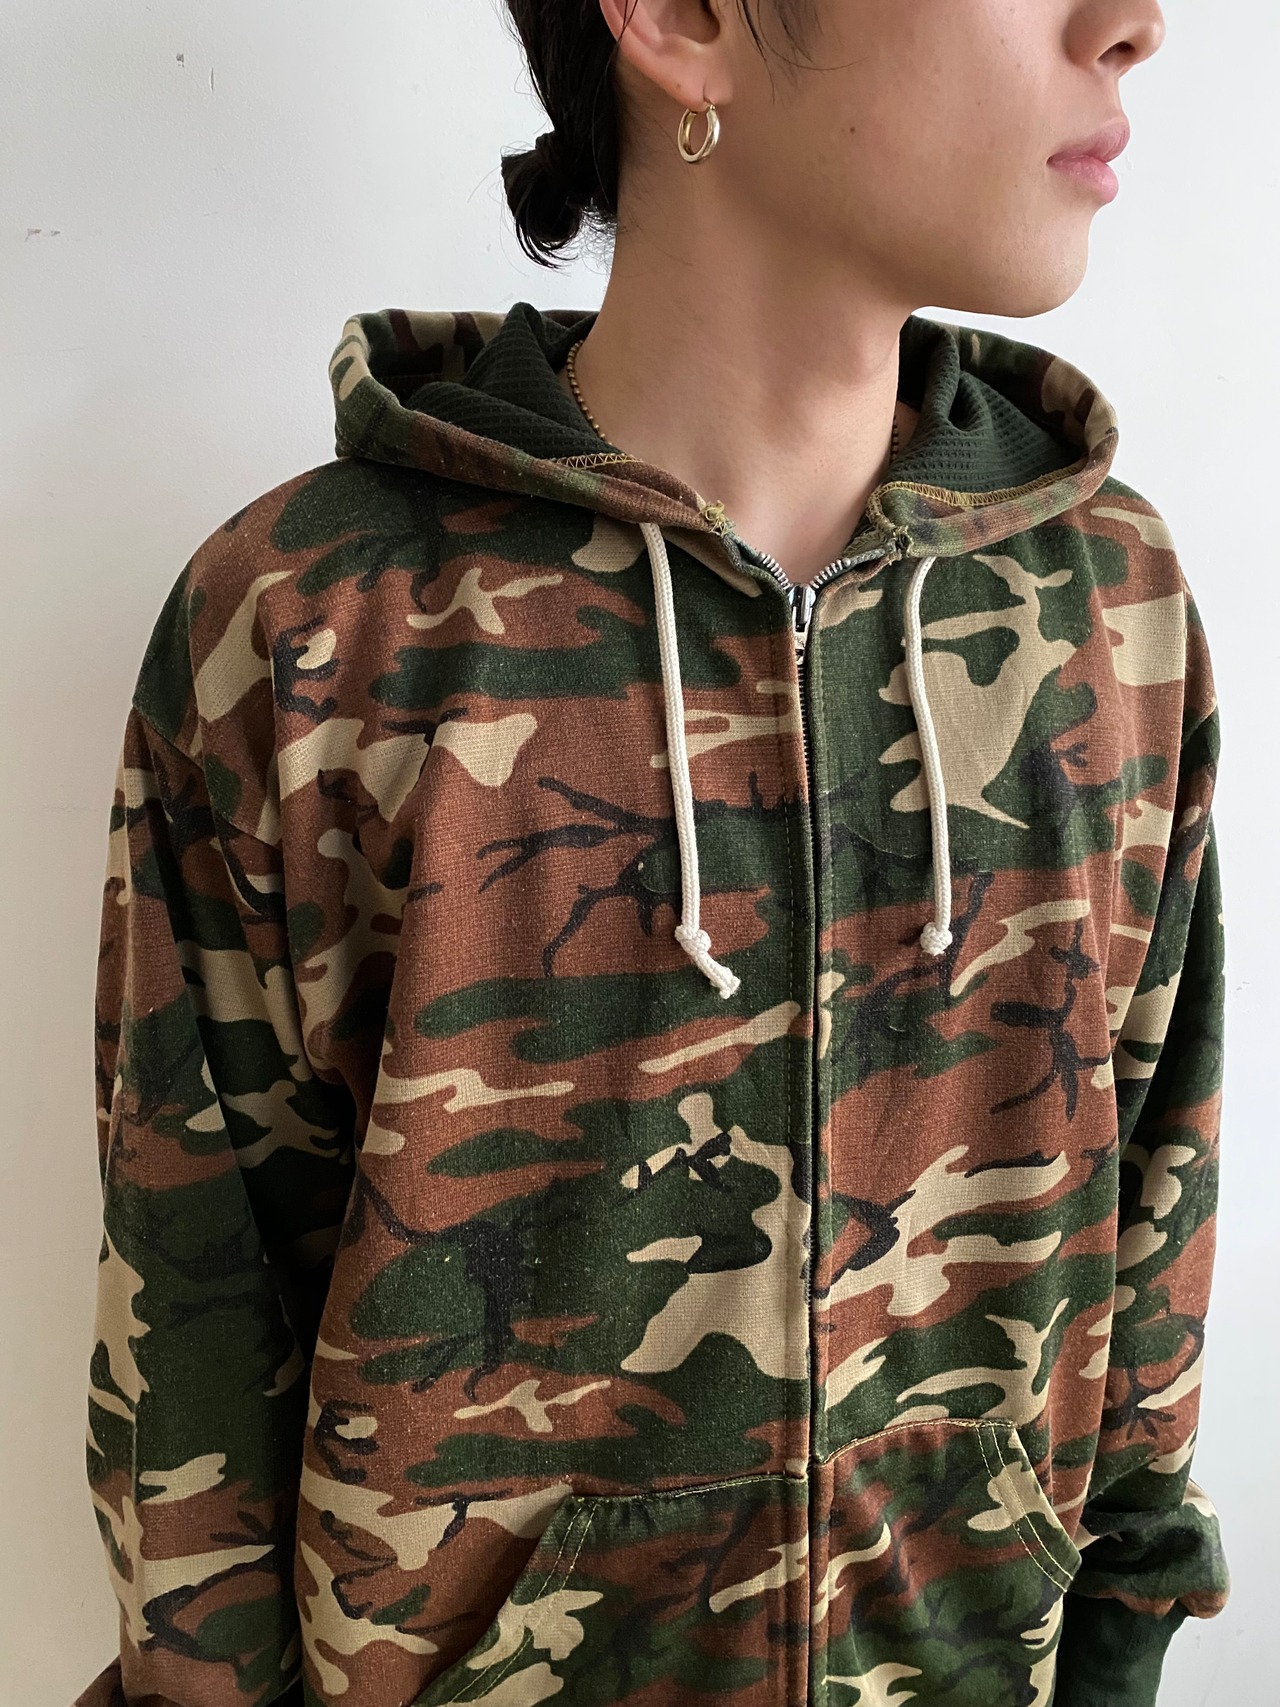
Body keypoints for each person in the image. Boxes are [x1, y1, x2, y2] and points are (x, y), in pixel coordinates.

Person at [75, 2, 1230, 1704]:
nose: (1131, 24)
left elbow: (1153, 1230)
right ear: (683, 19)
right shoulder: (323, 631)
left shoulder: (1108, 611)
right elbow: (191, 1334)